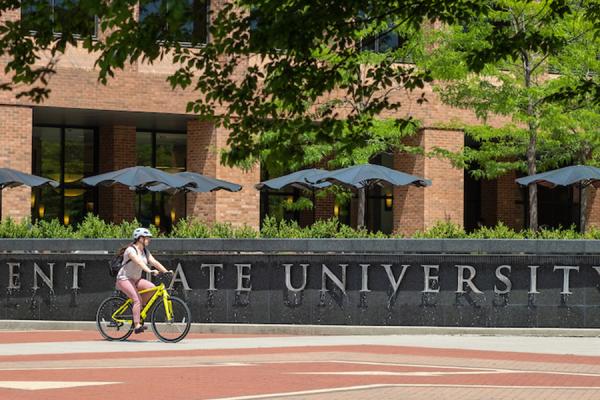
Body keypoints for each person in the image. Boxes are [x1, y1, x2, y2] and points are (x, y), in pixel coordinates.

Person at [115, 227, 172, 334]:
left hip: (136, 280)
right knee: (136, 299)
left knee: (152, 288)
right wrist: (149, 271)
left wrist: (166, 271)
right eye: (147, 238)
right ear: (140, 238)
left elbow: (154, 262)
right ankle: (136, 325)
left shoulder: (145, 251)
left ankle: (139, 310)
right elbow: (139, 262)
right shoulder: (131, 250)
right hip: (124, 279)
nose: (149, 239)